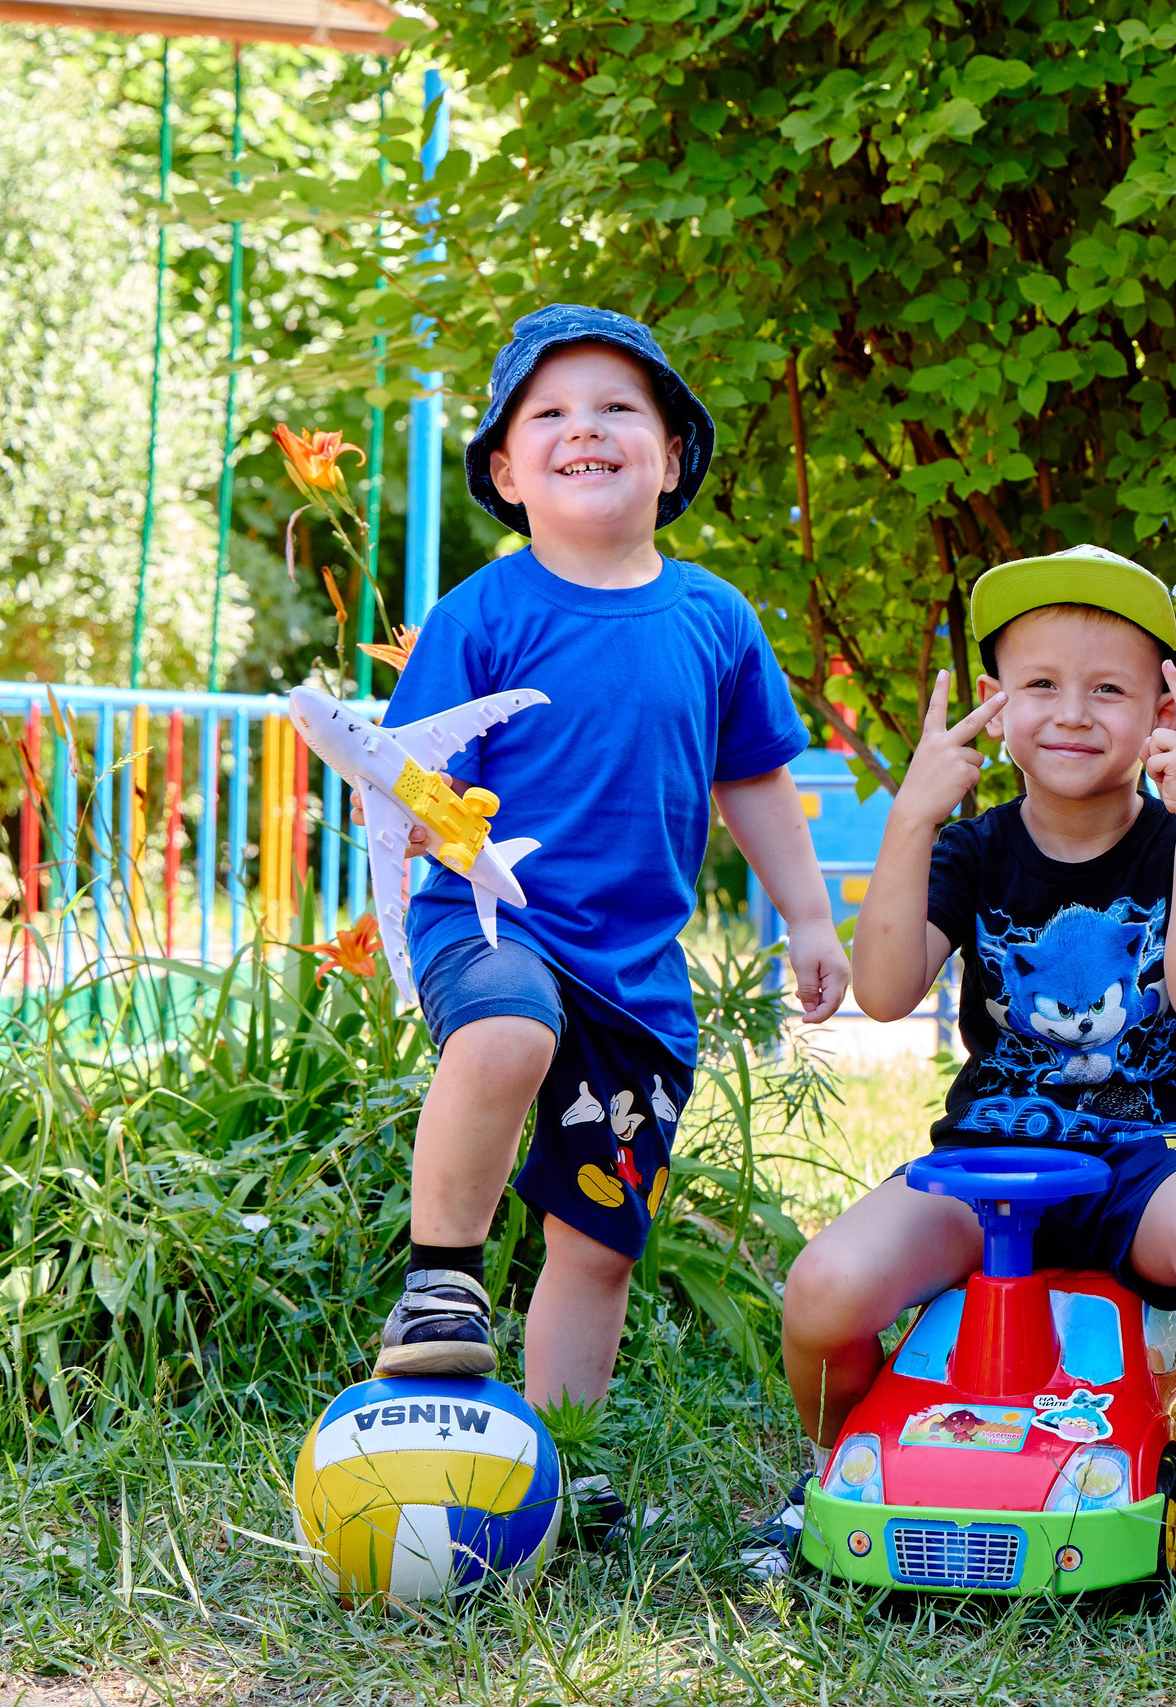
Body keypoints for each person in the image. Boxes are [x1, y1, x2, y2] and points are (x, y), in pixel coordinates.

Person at [754, 546, 1176, 1620]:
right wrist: (912, 818)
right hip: (987, 1165)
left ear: (1162, 708)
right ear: (994, 708)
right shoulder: (968, 850)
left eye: (1109, 688)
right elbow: (882, 993)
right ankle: (832, 1473)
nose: (1072, 712)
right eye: (1041, 685)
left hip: (1143, 1161)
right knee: (824, 1288)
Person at [370, 305, 849, 1544]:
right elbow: (405, 769)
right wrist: (431, 820)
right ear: (506, 470)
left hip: (635, 977)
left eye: (617, 408)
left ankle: (550, 1462)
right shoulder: (484, 613)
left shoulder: (713, 618)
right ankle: (440, 1286)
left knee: (595, 1240)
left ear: (673, 455)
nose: (584, 429)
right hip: (490, 922)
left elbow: (752, 780)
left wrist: (807, 913)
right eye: (550, 414)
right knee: (510, 1032)